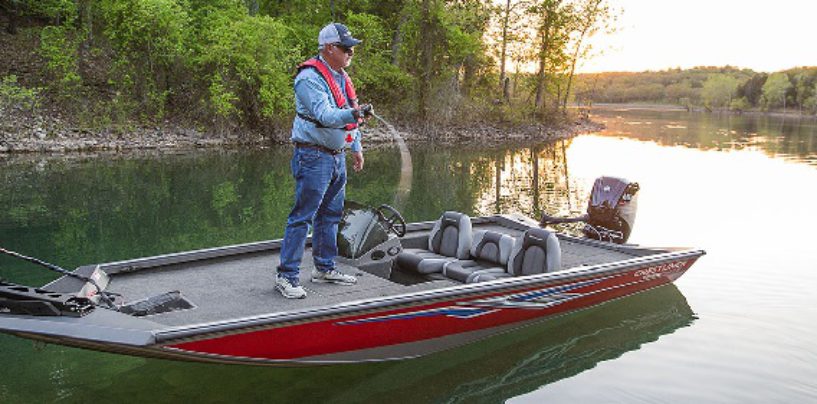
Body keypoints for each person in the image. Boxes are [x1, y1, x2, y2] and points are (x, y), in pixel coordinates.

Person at [275, 22, 372, 299]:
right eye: (346, 48)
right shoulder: (309, 78)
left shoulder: (340, 77)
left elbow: (348, 112)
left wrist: (356, 148)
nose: (351, 53)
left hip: (336, 157)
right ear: (329, 48)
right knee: (302, 217)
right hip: (313, 156)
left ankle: (325, 268)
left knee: (330, 215)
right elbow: (327, 115)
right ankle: (286, 276)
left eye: (352, 49)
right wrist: (355, 114)